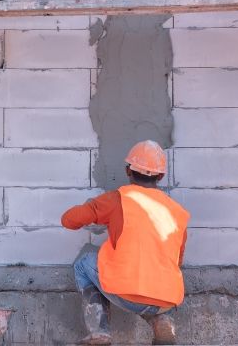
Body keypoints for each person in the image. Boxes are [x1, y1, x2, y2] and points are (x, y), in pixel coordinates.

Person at [61, 141, 190, 345]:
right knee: (154, 287)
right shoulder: (177, 212)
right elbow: (178, 260)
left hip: (127, 293)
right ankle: (161, 320)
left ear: (128, 171)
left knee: (84, 263)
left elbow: (68, 220)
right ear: (160, 176)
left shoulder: (118, 199)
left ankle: (99, 332)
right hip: (166, 299)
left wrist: (93, 207)